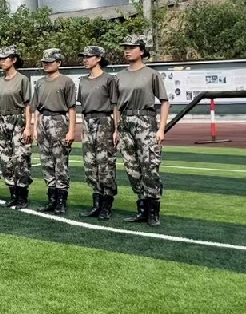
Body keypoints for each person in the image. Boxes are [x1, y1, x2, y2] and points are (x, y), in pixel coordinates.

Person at [117, 35, 170, 227]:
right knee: (131, 168)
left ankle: (153, 211)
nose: (127, 51)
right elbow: (116, 105)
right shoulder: (119, 76)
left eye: (131, 47)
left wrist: (161, 128)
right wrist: (116, 128)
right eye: (125, 47)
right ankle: (142, 209)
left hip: (146, 121)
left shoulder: (152, 74)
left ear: (141, 50)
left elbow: (164, 102)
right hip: (125, 123)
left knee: (149, 167)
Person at [32, 48, 77, 215]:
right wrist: (35, 127)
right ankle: (51, 199)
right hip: (43, 121)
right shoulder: (40, 82)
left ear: (58, 63)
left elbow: (72, 108)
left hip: (59, 120)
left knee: (60, 163)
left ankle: (61, 201)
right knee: (46, 162)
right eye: (44, 62)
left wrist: (71, 131)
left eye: (50, 62)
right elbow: (36, 108)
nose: (46, 64)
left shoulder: (66, 82)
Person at [77, 46, 119, 220]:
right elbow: (83, 106)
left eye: (89, 56)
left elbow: (115, 105)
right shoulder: (83, 80)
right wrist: (83, 127)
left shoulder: (109, 79)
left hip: (104, 121)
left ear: (98, 58)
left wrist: (116, 129)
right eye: (84, 56)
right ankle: (96, 204)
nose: (85, 60)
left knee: (105, 163)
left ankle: (106, 205)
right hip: (88, 122)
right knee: (90, 164)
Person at [0, 47, 33, 210]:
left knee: (20, 159)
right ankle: (13, 195)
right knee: (5, 159)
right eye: (0, 58)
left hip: (18, 119)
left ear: (14, 59)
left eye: (5, 58)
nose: (1, 61)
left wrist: (28, 127)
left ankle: (22, 196)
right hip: (3, 121)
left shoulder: (22, 79)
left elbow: (27, 105)